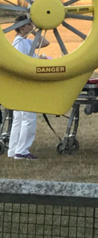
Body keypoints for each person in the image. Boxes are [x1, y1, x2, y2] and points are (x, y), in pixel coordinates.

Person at [8, 15, 48, 160]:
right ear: (22, 26)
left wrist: (33, 30)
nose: (33, 26)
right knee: (28, 118)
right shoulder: (19, 43)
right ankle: (22, 151)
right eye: (30, 24)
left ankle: (13, 150)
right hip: (24, 85)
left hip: (19, 86)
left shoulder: (23, 41)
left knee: (18, 118)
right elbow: (20, 64)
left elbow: (45, 42)